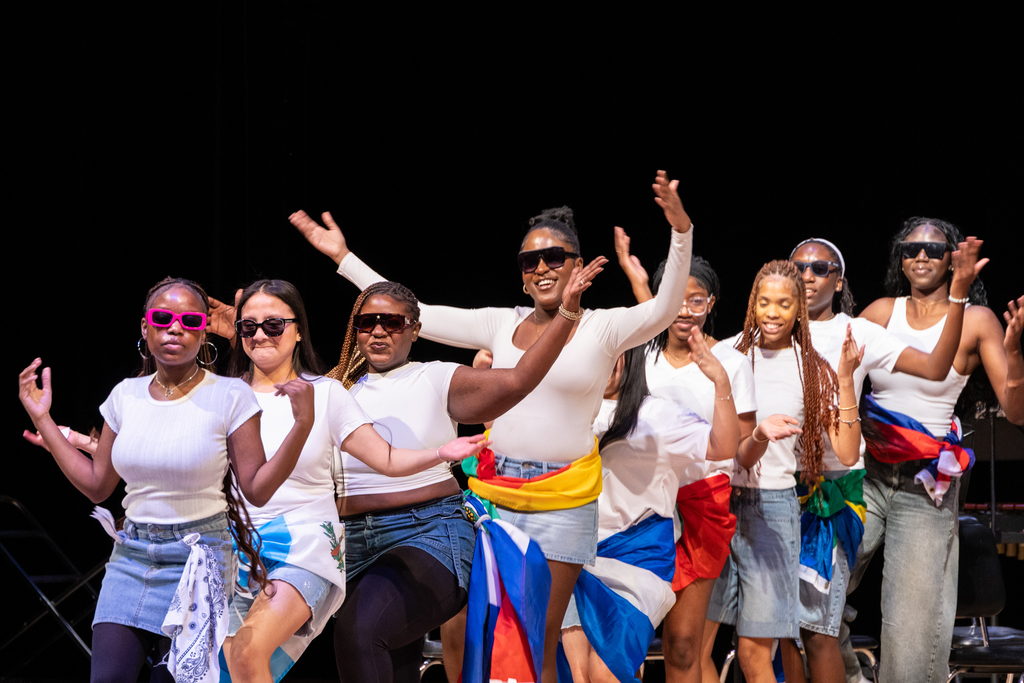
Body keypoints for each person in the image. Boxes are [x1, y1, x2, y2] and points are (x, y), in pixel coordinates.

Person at [289, 170, 694, 683]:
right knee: (473, 633)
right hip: (493, 496)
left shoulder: (603, 325)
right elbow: (412, 313)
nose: (543, 268)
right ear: (522, 273)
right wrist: (343, 260)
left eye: (555, 258)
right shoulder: (500, 322)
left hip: (564, 498)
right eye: (531, 261)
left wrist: (681, 232)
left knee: (540, 639)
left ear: (576, 264)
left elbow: (664, 308)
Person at [17, 277, 307, 683]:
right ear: (145, 326)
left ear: (204, 328)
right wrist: (42, 418)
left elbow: (256, 490)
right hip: (132, 553)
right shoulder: (124, 395)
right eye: (163, 318)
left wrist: (303, 424)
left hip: (199, 556)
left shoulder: (229, 396)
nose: (175, 328)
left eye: (189, 320)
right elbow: (99, 484)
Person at [207, 279, 489, 683]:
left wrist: (440, 453)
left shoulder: (325, 394)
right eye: (248, 327)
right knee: (215, 663)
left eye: (273, 325)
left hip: (304, 546)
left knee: (254, 650)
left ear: (298, 328)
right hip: (243, 547)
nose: (259, 335)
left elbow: (386, 458)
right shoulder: (224, 395)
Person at [327, 267, 599, 682]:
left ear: (414, 330)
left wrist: (566, 314)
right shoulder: (335, 389)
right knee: (391, 660)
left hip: (427, 533)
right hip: (352, 543)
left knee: (359, 630)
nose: (378, 331)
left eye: (393, 322)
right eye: (367, 322)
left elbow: (519, 379)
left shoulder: (435, 376)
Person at [783, 237, 981, 683]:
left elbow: (934, 367)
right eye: (799, 268)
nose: (808, 276)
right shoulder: (768, 331)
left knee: (908, 641)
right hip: (845, 480)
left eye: (820, 268)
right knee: (809, 603)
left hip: (919, 480)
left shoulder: (858, 330)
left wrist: (960, 294)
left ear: (838, 279)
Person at [845, 218, 1023, 683]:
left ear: (951, 260)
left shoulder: (977, 321)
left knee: (911, 637)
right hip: (865, 475)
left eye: (932, 248)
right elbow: (835, 380)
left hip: (926, 485)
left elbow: (1016, 410)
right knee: (809, 590)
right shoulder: (880, 312)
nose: (920, 256)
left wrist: (1017, 355)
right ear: (899, 259)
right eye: (910, 248)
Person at [706, 260, 865, 683]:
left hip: (772, 510)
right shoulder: (727, 354)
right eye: (764, 302)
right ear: (752, 305)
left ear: (799, 310)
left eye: (783, 303)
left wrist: (846, 379)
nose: (772, 312)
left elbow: (848, 454)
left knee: (753, 656)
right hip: (716, 503)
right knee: (691, 645)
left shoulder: (811, 368)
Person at [614, 238, 754, 683]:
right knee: (624, 639)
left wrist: (718, 384)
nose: (685, 309)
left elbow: (740, 446)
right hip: (637, 504)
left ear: (711, 303)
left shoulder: (730, 362)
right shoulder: (640, 354)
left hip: (699, 504)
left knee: (682, 645)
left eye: (697, 299)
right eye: (676, 298)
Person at [559, 338, 738, 683]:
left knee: (606, 672)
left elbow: (723, 446)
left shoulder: (657, 415)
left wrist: (721, 383)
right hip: (576, 551)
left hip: (637, 554)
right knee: (577, 674)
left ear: (629, 360)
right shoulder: (567, 412)